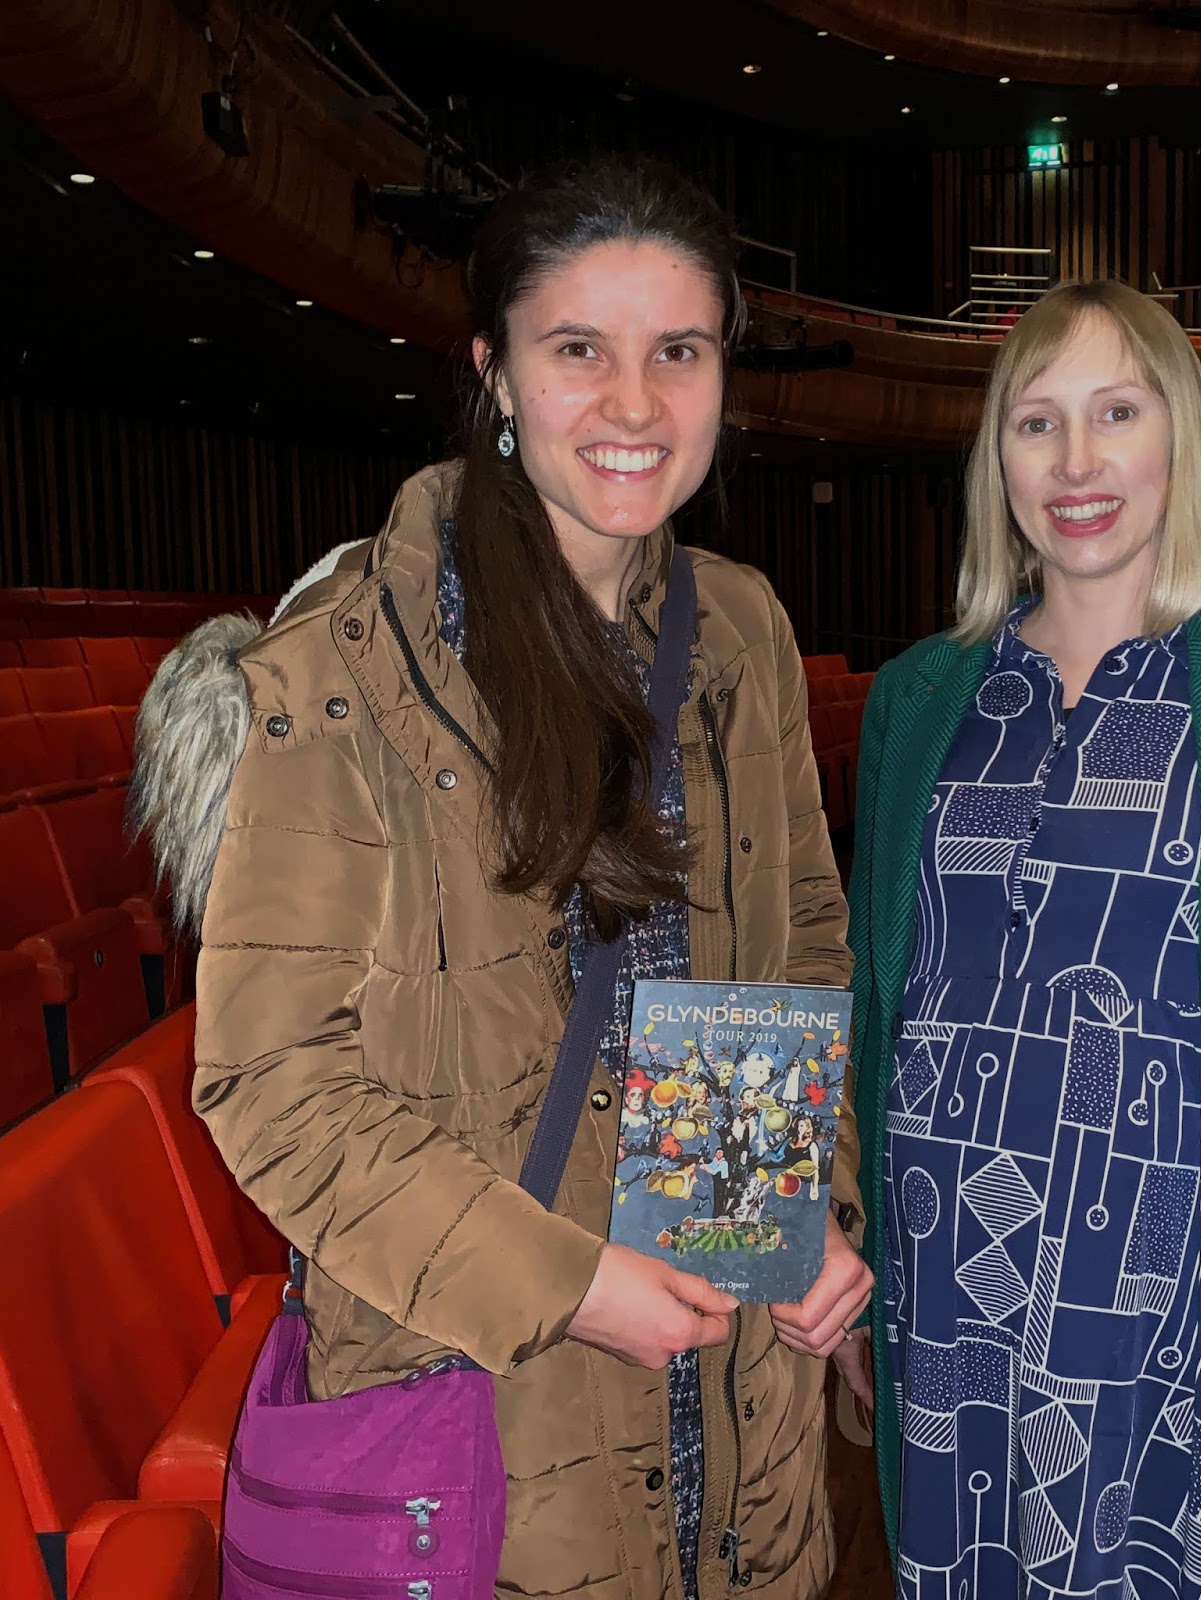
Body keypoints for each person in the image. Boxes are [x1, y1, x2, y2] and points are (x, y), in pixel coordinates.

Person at [134, 157, 873, 1600]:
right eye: (578, 350)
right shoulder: (340, 671)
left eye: (680, 351)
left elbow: (795, 956)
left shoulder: (740, 632)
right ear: (496, 375)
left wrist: (799, 1217)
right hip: (484, 1402)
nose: (636, 405)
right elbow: (275, 1082)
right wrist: (576, 1287)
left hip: (728, 1406)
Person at [841, 279, 1201, 1600]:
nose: (1076, 462)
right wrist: (862, 1267)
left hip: (1194, 1337)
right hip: (955, 1323)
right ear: (997, 463)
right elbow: (880, 1016)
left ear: (1184, 442)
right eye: (1036, 423)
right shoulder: (918, 703)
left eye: (1117, 413)